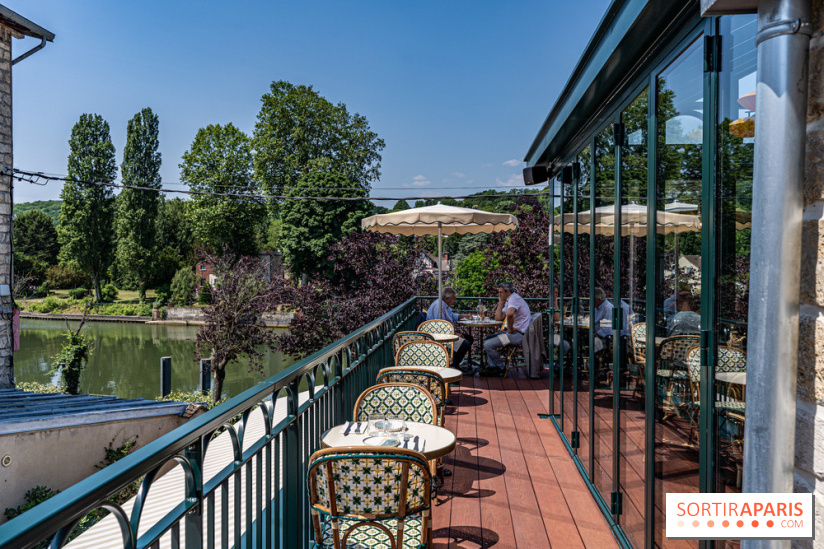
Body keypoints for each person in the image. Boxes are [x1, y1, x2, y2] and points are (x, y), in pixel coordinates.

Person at [481, 281, 531, 377]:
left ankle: (500, 367)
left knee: (488, 344)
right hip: (513, 334)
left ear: (508, 292)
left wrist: (511, 328)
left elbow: (510, 314)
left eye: (501, 292)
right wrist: (500, 303)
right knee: (488, 339)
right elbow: (498, 318)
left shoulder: (514, 299)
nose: (499, 294)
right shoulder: (509, 300)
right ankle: (493, 367)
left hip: (518, 336)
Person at [426, 286, 475, 372]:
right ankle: (453, 366)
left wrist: (463, 316)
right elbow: (440, 326)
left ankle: (455, 363)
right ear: (446, 298)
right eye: (453, 298)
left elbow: (451, 315)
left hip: (447, 333)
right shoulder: (439, 307)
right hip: (439, 337)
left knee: (469, 338)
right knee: (465, 343)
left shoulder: (444, 305)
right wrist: (454, 334)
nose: (454, 301)